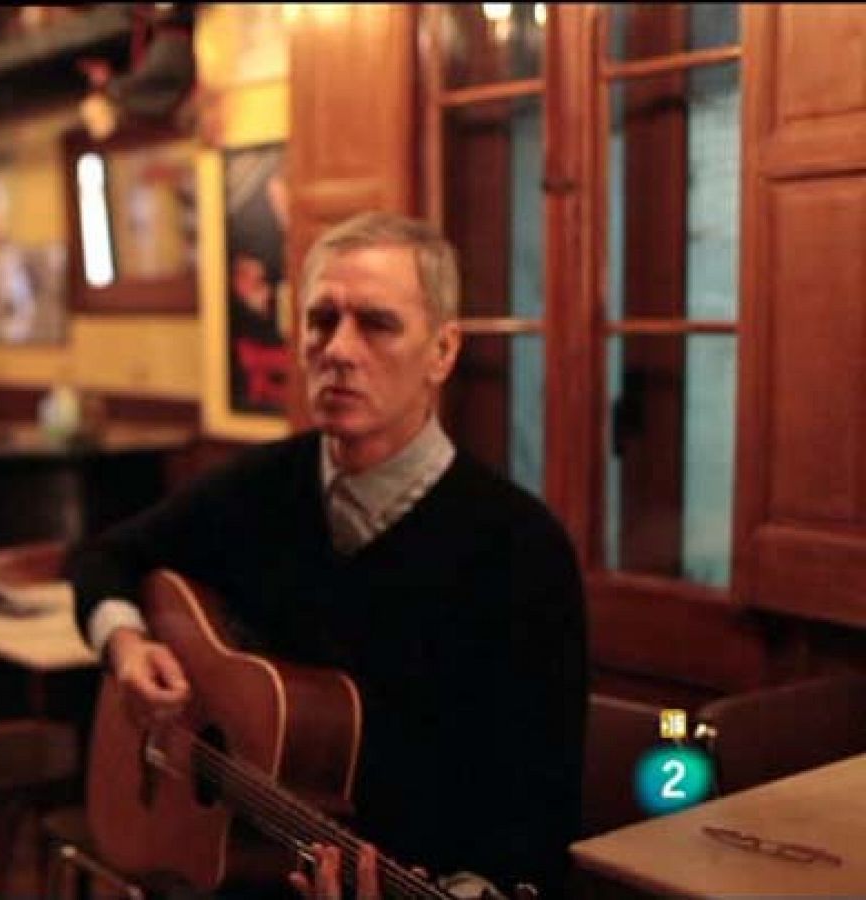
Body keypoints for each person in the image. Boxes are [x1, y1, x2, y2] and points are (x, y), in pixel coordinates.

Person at [71, 211, 588, 899]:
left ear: (442, 351)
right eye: (321, 321)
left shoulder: (523, 550)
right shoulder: (255, 487)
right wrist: (127, 645)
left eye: (376, 323)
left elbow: (539, 813)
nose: (339, 349)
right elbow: (103, 557)